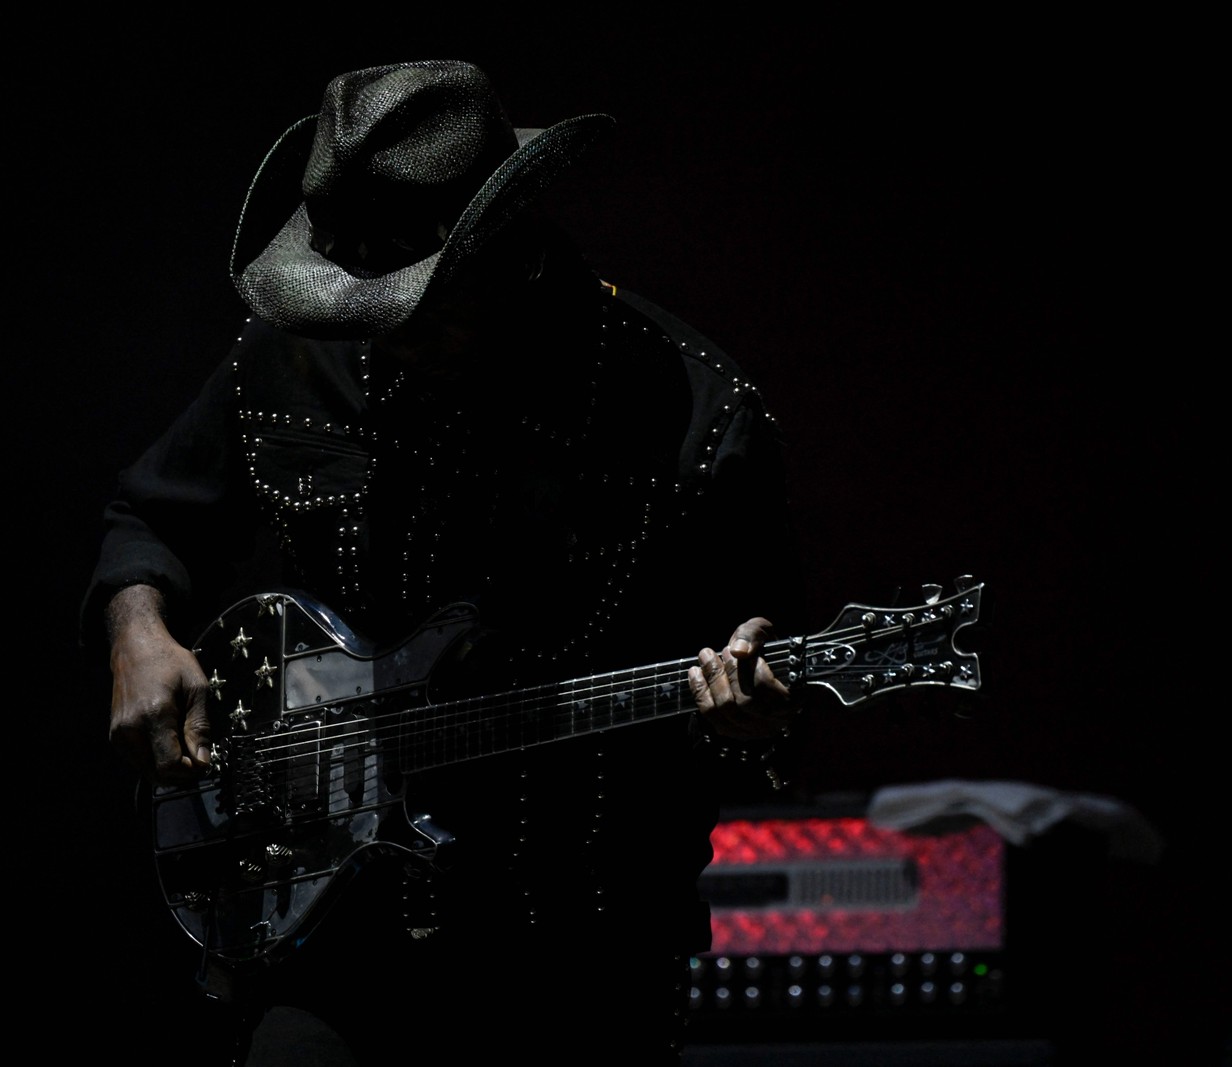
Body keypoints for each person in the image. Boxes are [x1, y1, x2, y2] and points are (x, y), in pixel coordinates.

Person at [82, 59, 800, 1066]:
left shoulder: (695, 419)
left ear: (506, 246)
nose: (373, 336)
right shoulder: (294, 355)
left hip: (578, 953)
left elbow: (760, 718)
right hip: (329, 928)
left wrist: (750, 718)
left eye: (410, 304)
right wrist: (138, 628)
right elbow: (148, 516)